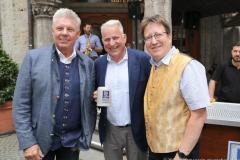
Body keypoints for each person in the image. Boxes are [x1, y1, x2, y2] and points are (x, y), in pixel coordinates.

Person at [13, 8, 96, 160]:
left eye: (70, 29)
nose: (64, 32)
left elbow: (90, 101)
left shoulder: (88, 63)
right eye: (59, 28)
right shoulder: (33, 59)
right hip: (39, 143)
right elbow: (20, 104)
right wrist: (27, 142)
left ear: (78, 34)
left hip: (72, 143)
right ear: (53, 32)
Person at [141, 15, 209, 160]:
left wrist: (182, 155)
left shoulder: (188, 66)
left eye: (158, 35)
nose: (153, 41)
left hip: (179, 154)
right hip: (156, 151)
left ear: (169, 36)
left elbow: (199, 115)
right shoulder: (154, 66)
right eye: (148, 37)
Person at [94, 20, 151, 160]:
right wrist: (95, 96)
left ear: (124, 37)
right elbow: (95, 91)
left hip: (136, 128)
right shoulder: (99, 64)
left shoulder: (142, 59)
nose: (112, 43)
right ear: (102, 41)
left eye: (115, 37)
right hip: (110, 129)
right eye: (107, 39)